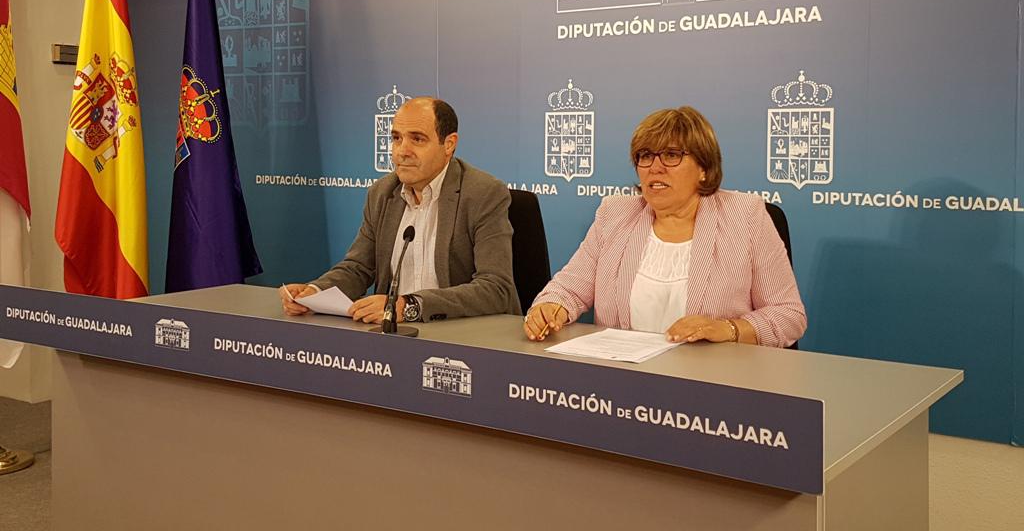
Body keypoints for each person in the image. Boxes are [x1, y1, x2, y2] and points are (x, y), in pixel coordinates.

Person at [524, 106, 806, 347]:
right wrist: (551, 307)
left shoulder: (745, 216)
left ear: (704, 168)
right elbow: (569, 289)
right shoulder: (615, 214)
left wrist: (729, 329)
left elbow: (788, 315)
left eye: (671, 155)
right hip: (621, 379)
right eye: (645, 156)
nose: (655, 167)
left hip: (713, 380)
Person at [281, 97, 520, 323]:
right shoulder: (383, 192)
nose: (401, 151)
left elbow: (496, 288)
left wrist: (409, 306)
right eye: (396, 138)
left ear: (448, 144)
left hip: (461, 335)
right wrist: (315, 292)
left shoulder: (482, 194)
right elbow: (359, 268)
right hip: (393, 335)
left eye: (417, 139)